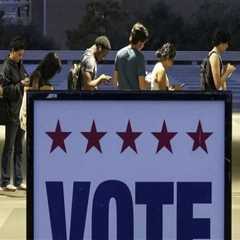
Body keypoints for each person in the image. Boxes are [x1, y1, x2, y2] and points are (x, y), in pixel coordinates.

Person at [0, 37, 29, 191]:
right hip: (11, 112)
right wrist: (20, 85)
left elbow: (25, 78)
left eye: (22, 55)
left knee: (19, 148)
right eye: (19, 55)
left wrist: (27, 81)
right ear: (12, 52)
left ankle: (18, 180)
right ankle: (4, 181)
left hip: (21, 112)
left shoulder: (20, 66)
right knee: (9, 148)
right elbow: (5, 90)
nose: (21, 57)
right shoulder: (5, 67)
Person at [20, 52, 62, 131]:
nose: (53, 74)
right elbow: (33, 92)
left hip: (36, 113)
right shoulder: (37, 74)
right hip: (29, 114)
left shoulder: (43, 78)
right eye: (54, 70)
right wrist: (46, 89)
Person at [113, 22, 149, 90]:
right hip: (135, 99)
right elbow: (142, 87)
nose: (144, 45)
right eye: (144, 42)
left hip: (121, 98)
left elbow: (115, 82)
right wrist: (149, 82)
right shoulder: (139, 57)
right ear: (139, 42)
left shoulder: (119, 53)